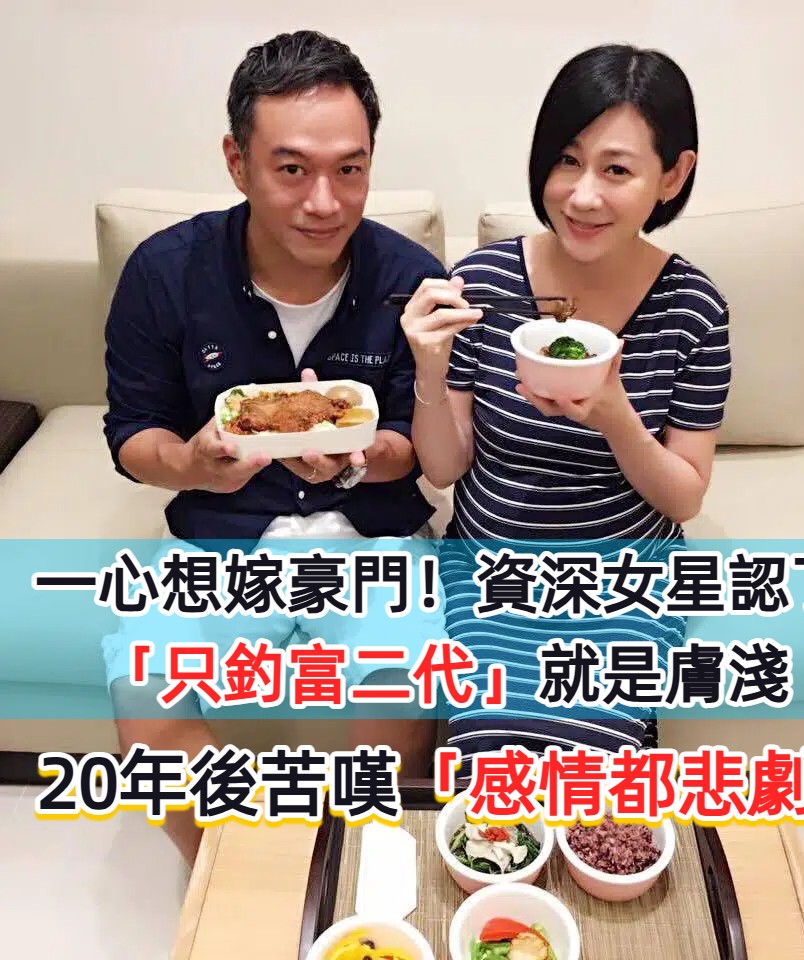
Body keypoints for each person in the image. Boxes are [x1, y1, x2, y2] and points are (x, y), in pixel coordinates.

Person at [101, 30, 446, 864]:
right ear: (238, 162)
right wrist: (192, 464)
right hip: (220, 535)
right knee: (145, 692)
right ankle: (232, 892)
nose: (324, 202)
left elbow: (413, 441)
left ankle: (364, 886)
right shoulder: (165, 273)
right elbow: (132, 434)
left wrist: (359, 456)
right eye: (291, 169)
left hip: (374, 534)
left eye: (350, 170)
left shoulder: (409, 276)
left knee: (404, 684)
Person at [399, 44, 732, 772]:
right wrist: (428, 366)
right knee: (490, 765)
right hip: (492, 570)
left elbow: (684, 495)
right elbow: (446, 468)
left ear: (672, 175)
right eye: (567, 161)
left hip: (625, 578)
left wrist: (615, 415)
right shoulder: (481, 282)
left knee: (595, 777)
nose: (582, 197)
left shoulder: (693, 308)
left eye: (616, 170)